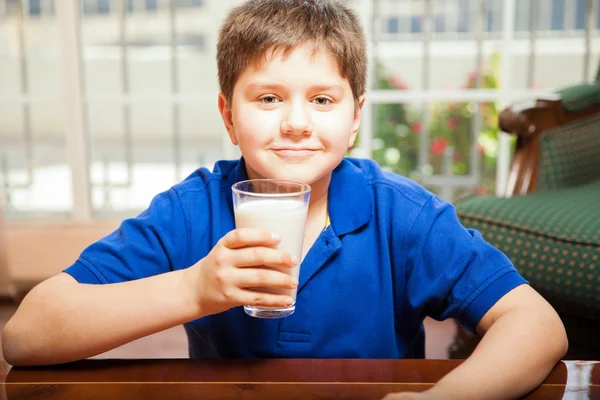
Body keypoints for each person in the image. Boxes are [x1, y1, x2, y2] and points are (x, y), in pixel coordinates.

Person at [2, 1, 567, 398]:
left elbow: (536, 324)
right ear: (228, 115)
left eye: (322, 99)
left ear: (354, 119)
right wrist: (193, 288)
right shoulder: (191, 209)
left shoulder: (402, 216)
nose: (297, 123)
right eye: (269, 97)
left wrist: (445, 398)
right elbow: (26, 334)